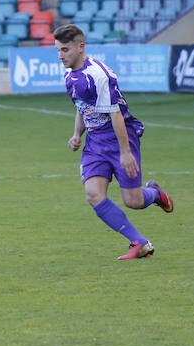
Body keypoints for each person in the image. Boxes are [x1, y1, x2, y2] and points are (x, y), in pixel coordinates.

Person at [52, 24, 174, 261]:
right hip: (95, 141)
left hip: (120, 137)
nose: (60, 56)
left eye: (64, 50)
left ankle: (155, 193)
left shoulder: (98, 75)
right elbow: (82, 107)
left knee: (134, 201)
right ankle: (139, 242)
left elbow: (116, 114)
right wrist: (77, 134)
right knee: (93, 194)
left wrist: (125, 153)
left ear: (80, 47)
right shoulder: (69, 74)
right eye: (58, 50)